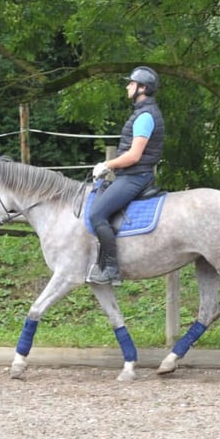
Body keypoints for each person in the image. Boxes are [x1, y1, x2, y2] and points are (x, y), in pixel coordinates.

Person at [86, 66, 165, 286]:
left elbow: (134, 155)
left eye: (131, 83)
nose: (127, 86)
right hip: (131, 174)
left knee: (97, 214)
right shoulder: (142, 113)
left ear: (142, 88)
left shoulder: (145, 116)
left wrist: (106, 164)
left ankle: (111, 269)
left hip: (135, 176)